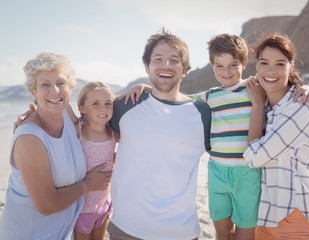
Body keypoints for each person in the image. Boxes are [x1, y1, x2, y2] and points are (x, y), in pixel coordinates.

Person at [121, 33, 309, 240]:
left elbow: (280, 88)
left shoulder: (255, 88)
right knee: (222, 231)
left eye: (233, 65)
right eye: (219, 66)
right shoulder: (210, 96)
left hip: (248, 173)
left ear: (243, 63)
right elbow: (178, 98)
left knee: (245, 231)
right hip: (217, 172)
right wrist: (147, 88)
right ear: (212, 66)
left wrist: (305, 87)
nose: (226, 72)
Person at [107, 28, 211, 239]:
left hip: (181, 232)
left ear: (186, 69)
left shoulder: (203, 113)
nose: (166, 65)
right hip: (127, 228)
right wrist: (35, 118)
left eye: (174, 60)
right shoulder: (125, 105)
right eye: (158, 59)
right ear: (147, 66)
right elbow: (83, 130)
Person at [0, 52, 112, 239]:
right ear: (33, 92)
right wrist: (88, 185)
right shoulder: (30, 139)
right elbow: (47, 205)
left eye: (61, 83)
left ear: (70, 88)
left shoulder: (67, 118)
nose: (55, 90)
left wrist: (142, 89)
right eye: (45, 84)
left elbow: (102, 109)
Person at [243, 33, 309, 240]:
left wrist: (257, 105)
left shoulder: (300, 106)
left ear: (291, 67)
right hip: (266, 216)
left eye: (280, 64)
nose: (271, 70)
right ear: (256, 67)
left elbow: (254, 158)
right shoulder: (266, 104)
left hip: (297, 216)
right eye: (264, 63)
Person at [73, 82, 119, 240]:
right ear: (82, 108)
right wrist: (26, 117)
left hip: (104, 203)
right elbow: (50, 119)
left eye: (108, 103)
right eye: (95, 104)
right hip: (83, 207)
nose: (103, 109)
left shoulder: (114, 133)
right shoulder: (78, 130)